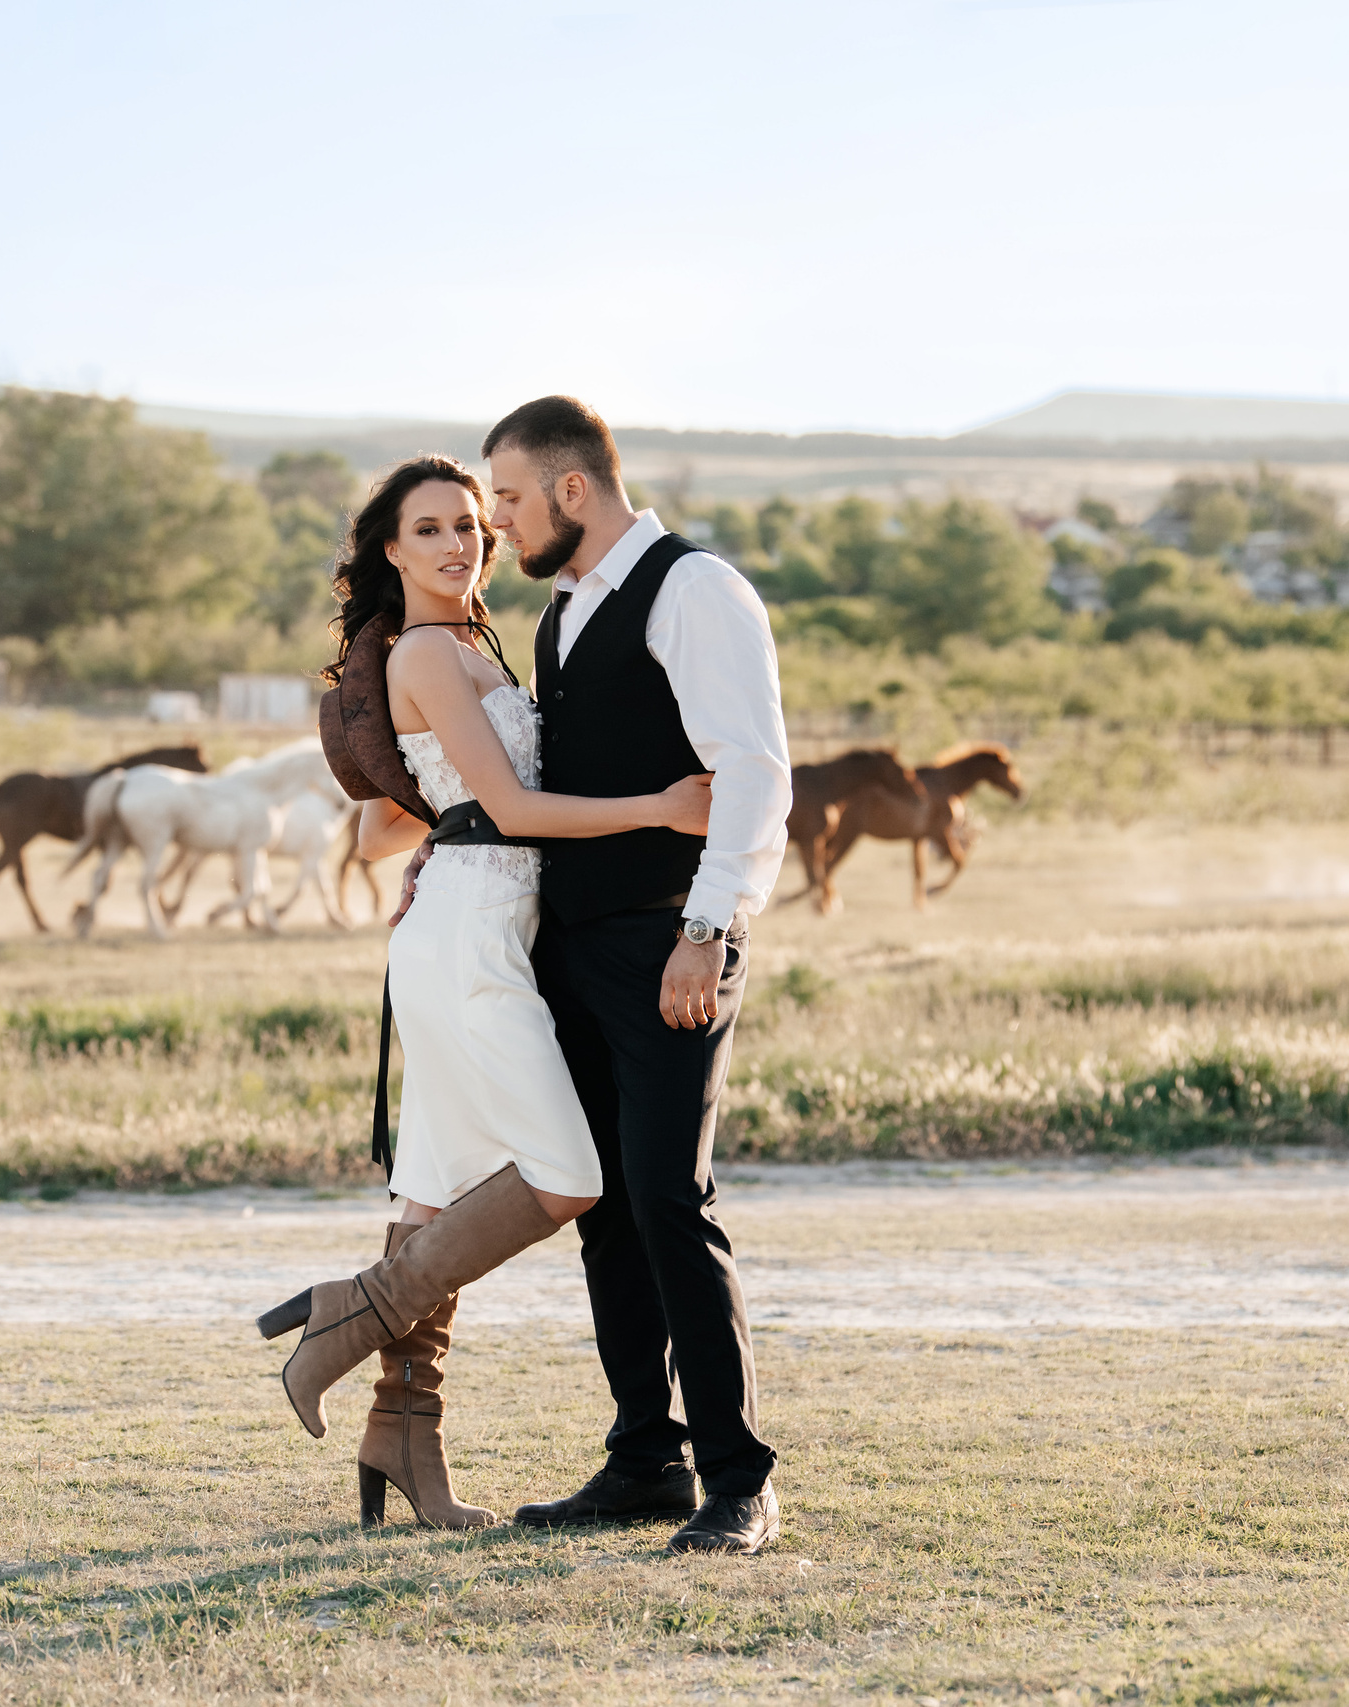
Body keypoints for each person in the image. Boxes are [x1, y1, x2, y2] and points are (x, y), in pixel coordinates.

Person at [257, 453, 714, 1533]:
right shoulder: (423, 651)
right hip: (469, 939)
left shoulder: (469, 648)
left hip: (481, 923)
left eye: (469, 524)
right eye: (429, 529)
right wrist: (660, 807)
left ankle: (403, 1436)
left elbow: (386, 826)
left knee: (431, 1191)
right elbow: (511, 808)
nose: (458, 543)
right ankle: (352, 1312)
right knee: (567, 1176)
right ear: (390, 550)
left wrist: (443, 824)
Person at [487, 396, 790, 1557]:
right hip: (573, 946)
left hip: (672, 938)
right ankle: (644, 1460)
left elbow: (751, 774)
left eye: (509, 498)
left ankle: (738, 1480)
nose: (498, 522)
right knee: (606, 1206)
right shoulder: (563, 611)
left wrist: (707, 929)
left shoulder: (693, 589)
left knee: (668, 1198)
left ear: (572, 488)